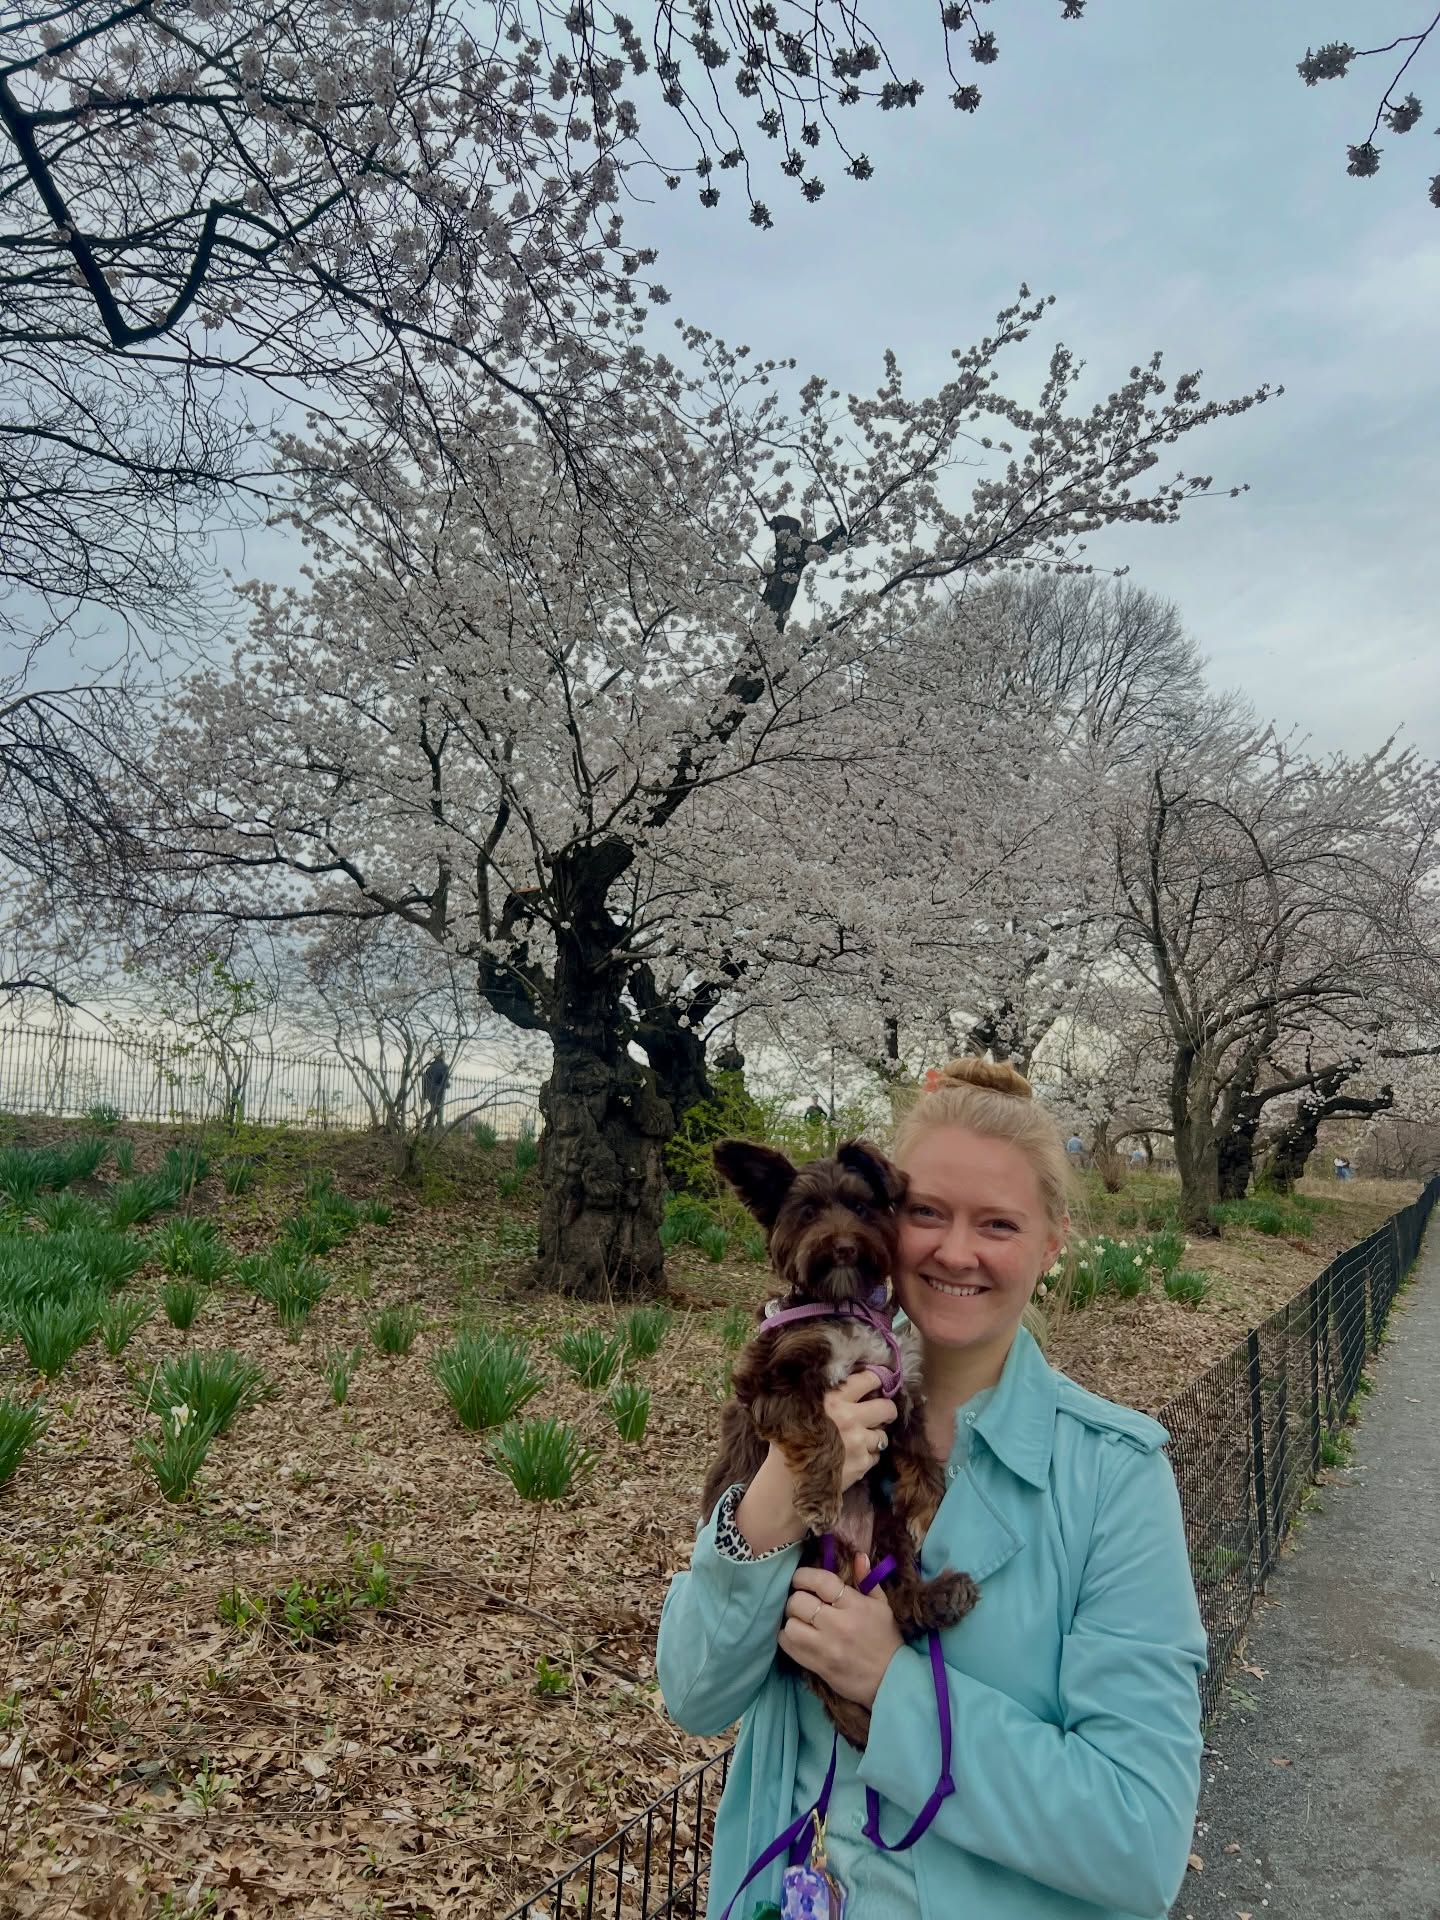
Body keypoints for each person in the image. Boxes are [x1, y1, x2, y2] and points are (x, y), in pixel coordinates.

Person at [657, 1058, 1206, 1920]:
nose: (956, 1251)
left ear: (1052, 1241)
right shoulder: (800, 1404)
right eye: (925, 1213)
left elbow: (1140, 1839)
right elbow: (693, 1696)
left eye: (998, 1223)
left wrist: (893, 1687)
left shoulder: (1113, 1478)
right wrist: (775, 1494)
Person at [420, 1052, 449, 1128]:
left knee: (434, 1108)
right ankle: (432, 1125)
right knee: (437, 1109)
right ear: (442, 1057)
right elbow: (444, 1080)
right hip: (439, 1092)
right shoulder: (444, 1067)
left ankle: (429, 1126)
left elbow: (425, 1081)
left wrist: (424, 1095)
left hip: (430, 1092)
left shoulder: (429, 1068)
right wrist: (447, 1085)